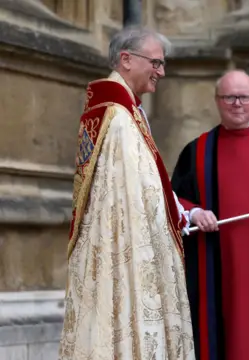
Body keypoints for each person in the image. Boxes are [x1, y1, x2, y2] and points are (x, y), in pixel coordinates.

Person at [59, 26, 197, 360]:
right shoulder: (117, 118)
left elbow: (148, 185)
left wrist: (180, 211)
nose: (161, 72)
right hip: (127, 250)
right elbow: (128, 201)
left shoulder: (127, 112)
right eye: (156, 63)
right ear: (126, 59)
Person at [171, 70, 249, 360]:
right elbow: (173, 200)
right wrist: (195, 213)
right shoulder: (197, 151)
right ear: (217, 101)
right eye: (229, 97)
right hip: (214, 266)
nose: (237, 103)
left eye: (244, 97)